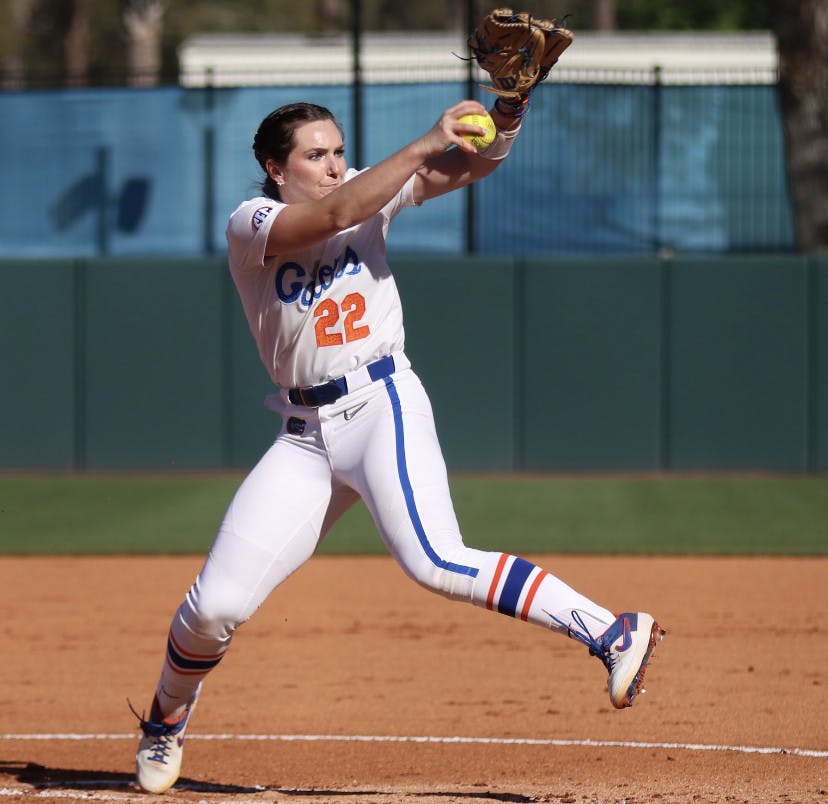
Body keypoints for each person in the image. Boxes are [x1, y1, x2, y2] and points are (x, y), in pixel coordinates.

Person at [132, 95, 665, 794]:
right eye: (314, 154)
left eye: (337, 150)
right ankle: (165, 721)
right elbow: (328, 217)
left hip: (381, 403)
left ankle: (612, 629)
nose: (332, 164)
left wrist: (506, 117)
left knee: (435, 558)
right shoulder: (251, 221)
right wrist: (420, 145)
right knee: (214, 607)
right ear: (274, 166)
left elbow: (472, 167)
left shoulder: (370, 193)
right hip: (303, 436)